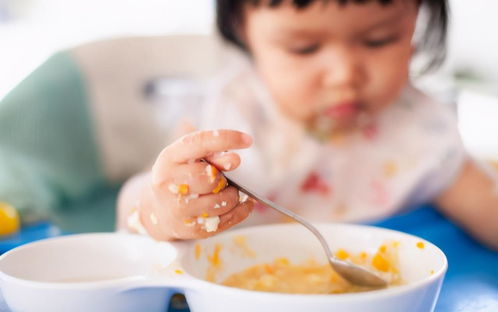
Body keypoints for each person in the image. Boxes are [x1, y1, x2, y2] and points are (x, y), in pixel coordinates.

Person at [117, 0, 498, 250]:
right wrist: (160, 211)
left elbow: (486, 205)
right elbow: (132, 207)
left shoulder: (419, 128)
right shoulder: (222, 117)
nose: (344, 75)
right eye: (304, 49)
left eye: (378, 40)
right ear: (244, 32)